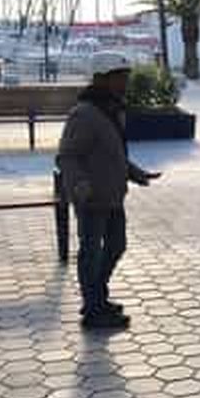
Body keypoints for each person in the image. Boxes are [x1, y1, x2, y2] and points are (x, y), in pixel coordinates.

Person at [58, 52, 161, 331]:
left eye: (125, 77)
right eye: (118, 77)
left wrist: (135, 172)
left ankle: (96, 297)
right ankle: (93, 310)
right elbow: (67, 156)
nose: (124, 82)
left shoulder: (112, 109)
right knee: (90, 252)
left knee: (117, 245)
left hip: (112, 194)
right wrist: (80, 185)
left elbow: (111, 153)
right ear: (101, 79)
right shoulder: (84, 114)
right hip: (91, 198)